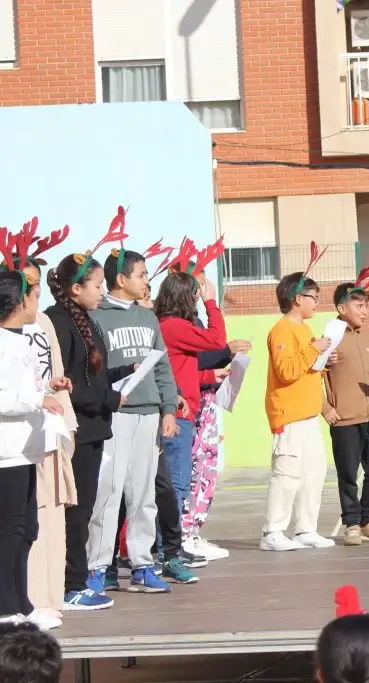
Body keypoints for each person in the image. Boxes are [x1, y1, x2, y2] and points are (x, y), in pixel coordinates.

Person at [89, 248, 194, 592]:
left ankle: (142, 564)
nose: (147, 281)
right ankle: (97, 567)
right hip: (116, 414)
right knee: (108, 493)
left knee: (144, 493)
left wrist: (168, 409)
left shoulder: (147, 318)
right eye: (141, 275)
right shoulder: (97, 316)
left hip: (148, 414)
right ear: (121, 279)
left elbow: (162, 366)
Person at [47, 245, 132, 611]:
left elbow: (91, 375)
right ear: (76, 288)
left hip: (94, 428)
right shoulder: (57, 322)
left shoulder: (85, 318)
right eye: (97, 285)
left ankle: (75, 580)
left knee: (86, 507)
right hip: (76, 430)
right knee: (76, 511)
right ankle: (72, 585)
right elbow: (67, 384)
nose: (102, 291)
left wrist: (126, 373)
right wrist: (108, 399)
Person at [0, 230, 77, 629]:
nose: (38, 300)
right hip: (7, 452)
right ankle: (5, 608)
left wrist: (47, 387)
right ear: (19, 302)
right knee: (10, 531)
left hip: (26, 448)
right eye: (33, 294)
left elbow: (19, 388)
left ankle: (22, 604)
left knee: (27, 528)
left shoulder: (18, 341)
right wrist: (37, 399)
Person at [261, 252, 336, 551]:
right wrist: (314, 349)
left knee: (313, 472)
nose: (316, 302)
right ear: (297, 299)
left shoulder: (304, 329)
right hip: (289, 413)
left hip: (308, 413)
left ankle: (305, 529)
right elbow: (287, 370)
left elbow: (305, 368)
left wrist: (324, 360)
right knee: (287, 473)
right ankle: (272, 532)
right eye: (313, 297)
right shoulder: (282, 330)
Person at [154, 243, 227, 524]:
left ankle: (170, 542)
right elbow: (217, 340)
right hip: (179, 415)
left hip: (182, 410)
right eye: (196, 291)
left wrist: (208, 376)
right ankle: (169, 544)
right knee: (177, 484)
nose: (199, 296)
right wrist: (211, 303)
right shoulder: (175, 326)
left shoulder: (168, 325)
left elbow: (177, 371)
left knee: (178, 483)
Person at [324, 268, 369, 547]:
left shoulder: (368, 336)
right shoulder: (329, 336)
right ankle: (352, 524)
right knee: (348, 475)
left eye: (366, 305)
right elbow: (314, 374)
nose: (365, 311)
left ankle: (367, 520)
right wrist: (325, 408)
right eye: (359, 306)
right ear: (342, 308)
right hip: (343, 419)